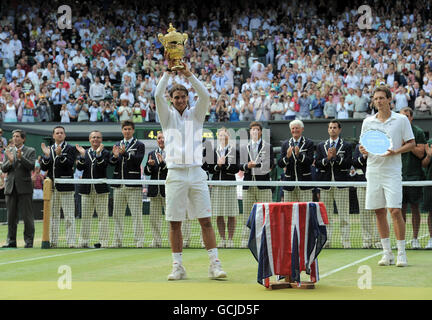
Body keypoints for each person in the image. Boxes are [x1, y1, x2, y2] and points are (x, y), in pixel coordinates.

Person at [155, 60, 226, 280]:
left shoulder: (196, 114)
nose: (180, 100)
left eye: (183, 97)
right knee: (174, 223)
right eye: (176, 98)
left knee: (205, 220)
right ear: (172, 100)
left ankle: (215, 265)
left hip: (196, 173)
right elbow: (157, 95)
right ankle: (178, 266)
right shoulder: (166, 117)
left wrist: (189, 75)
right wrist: (167, 73)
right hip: (175, 173)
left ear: (187, 98)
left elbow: (205, 95)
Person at [359, 86, 415, 267]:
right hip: (373, 170)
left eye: (382, 98)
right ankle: (387, 253)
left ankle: (401, 253)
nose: (379, 101)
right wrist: (363, 150)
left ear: (389, 99)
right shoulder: (367, 122)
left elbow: (412, 143)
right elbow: (364, 146)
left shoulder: (401, 120)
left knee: (395, 211)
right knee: (379, 211)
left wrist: (395, 151)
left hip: (392, 171)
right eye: (376, 99)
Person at [315, 120, 353, 248]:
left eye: (335, 127)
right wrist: (327, 159)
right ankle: (327, 241)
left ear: (339, 130)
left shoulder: (347, 146)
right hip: (325, 184)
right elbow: (318, 163)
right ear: (328, 130)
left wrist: (336, 158)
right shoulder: (321, 145)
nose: (332, 130)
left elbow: (348, 163)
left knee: (344, 216)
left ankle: (346, 242)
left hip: (341, 183)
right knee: (326, 216)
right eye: (330, 127)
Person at [109, 120, 145, 248]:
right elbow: (112, 163)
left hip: (133, 185)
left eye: (129, 129)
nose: (127, 131)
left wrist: (125, 154)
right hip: (119, 185)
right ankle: (117, 241)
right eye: (125, 129)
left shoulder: (139, 145)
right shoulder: (117, 144)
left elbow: (137, 161)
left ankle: (139, 241)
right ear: (122, 130)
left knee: (136, 215)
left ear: (133, 130)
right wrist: (114, 156)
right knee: (117, 215)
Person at [40, 126, 77, 248]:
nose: (59, 134)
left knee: (69, 216)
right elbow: (44, 168)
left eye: (61, 133)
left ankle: (71, 242)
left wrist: (60, 155)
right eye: (57, 133)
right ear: (53, 135)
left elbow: (70, 165)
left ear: (65, 135)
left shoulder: (71, 148)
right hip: (52, 189)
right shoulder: (49, 149)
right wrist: (46, 156)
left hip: (66, 187)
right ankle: (53, 241)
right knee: (53, 216)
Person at [240, 121, 274, 247]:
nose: (255, 132)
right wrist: (246, 166)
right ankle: (246, 240)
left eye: (257, 130)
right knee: (247, 215)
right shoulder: (244, 147)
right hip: (248, 185)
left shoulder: (267, 146)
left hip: (263, 184)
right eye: (252, 130)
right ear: (250, 132)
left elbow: (270, 164)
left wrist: (256, 165)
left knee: (266, 213)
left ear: (260, 132)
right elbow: (240, 165)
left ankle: (267, 240)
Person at [1, 130, 36, 248]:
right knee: (11, 216)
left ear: (23, 139)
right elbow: (4, 168)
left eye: (17, 136)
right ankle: (11, 241)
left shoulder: (30, 150)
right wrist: (11, 161)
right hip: (10, 188)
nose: (15, 138)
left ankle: (29, 241)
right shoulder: (8, 151)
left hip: (25, 187)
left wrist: (21, 158)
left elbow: (31, 166)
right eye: (13, 136)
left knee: (27, 216)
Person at [75, 130, 110, 248]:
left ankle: (104, 241)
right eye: (93, 137)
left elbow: (103, 166)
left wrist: (99, 154)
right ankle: (83, 241)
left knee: (103, 216)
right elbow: (79, 167)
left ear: (101, 140)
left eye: (98, 137)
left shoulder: (105, 152)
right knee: (85, 217)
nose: (96, 139)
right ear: (90, 140)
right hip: (86, 189)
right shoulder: (85, 152)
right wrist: (83, 156)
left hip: (101, 189)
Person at [207, 127, 240, 248]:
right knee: (219, 214)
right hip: (217, 186)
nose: (222, 138)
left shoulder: (234, 151)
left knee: (231, 214)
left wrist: (223, 165)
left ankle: (230, 240)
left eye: (225, 136)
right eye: (220, 136)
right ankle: (222, 239)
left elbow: (236, 168)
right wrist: (218, 166)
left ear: (228, 137)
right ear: (218, 137)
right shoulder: (212, 151)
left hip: (230, 185)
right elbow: (210, 168)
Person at [399, 107, 426, 249]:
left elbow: (421, 154)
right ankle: (402, 240)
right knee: (400, 209)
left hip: (415, 176)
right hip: (398, 176)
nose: (404, 118)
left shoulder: (419, 132)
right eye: (401, 116)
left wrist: (407, 145)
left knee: (415, 208)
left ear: (411, 118)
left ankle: (415, 239)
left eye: (406, 116)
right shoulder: (396, 132)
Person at [277, 119, 314, 203]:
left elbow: (310, 161)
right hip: (289, 183)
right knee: (289, 211)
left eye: (297, 128)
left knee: (305, 210)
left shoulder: (309, 143)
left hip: (304, 183)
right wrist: (287, 157)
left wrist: (299, 155)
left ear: (302, 129)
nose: (295, 130)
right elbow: (280, 164)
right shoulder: (285, 144)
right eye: (293, 128)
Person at [352, 143, 380, 248]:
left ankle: (379, 241)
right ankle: (367, 241)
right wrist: (364, 156)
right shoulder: (359, 147)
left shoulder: (380, 145)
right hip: (362, 183)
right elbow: (355, 163)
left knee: (379, 213)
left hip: (378, 182)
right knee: (364, 214)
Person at [143, 131, 168, 248]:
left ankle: (171, 240)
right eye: (159, 138)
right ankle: (156, 241)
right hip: (154, 191)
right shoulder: (151, 153)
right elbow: (147, 172)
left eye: (163, 138)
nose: (161, 140)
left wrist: (162, 162)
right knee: (154, 219)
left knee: (170, 218)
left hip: (168, 190)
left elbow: (170, 170)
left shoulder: (172, 153)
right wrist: (150, 165)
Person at [422, 139, 432, 249]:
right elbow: (424, 165)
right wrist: (429, 156)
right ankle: (431, 239)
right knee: (431, 213)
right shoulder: (429, 143)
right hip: (430, 182)